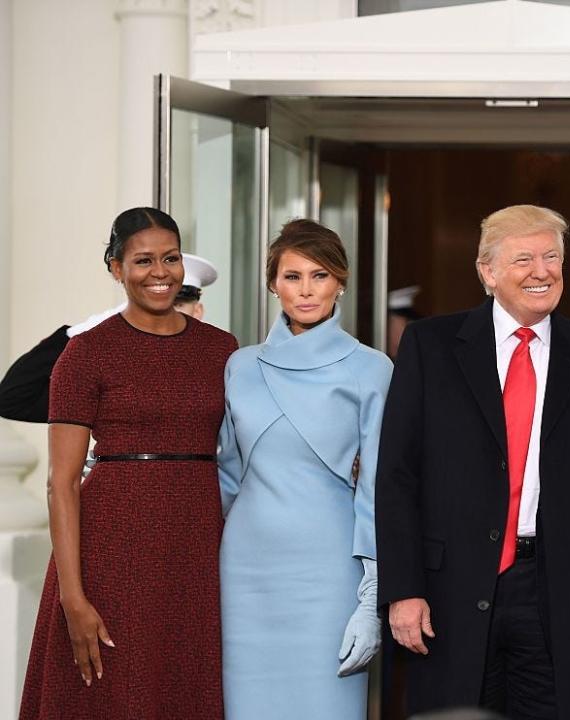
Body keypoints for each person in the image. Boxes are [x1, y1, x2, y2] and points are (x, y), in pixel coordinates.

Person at [376, 204, 570, 720]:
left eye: (551, 257)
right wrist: (403, 589)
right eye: (523, 259)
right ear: (488, 271)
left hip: (565, 591)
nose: (541, 271)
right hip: (449, 592)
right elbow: (398, 477)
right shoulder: (430, 346)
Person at [18, 208, 237, 720]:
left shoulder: (222, 349)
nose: (160, 272)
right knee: (113, 692)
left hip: (197, 546)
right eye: (142, 261)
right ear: (115, 268)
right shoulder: (85, 354)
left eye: (170, 258)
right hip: (111, 547)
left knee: (185, 684)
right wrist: (74, 598)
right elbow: (63, 484)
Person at [218, 219, 393, 720]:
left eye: (319, 276)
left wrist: (371, 597)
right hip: (245, 572)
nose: (306, 290)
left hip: (329, 572)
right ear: (272, 283)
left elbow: (377, 488)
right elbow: (226, 476)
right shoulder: (241, 365)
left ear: (340, 281)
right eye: (292, 276)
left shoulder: (371, 368)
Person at [0, 252, 219, 424]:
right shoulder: (112, 376)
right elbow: (12, 399)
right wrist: (77, 333)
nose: (165, 313)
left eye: (178, 305)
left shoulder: (218, 363)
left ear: (197, 312)